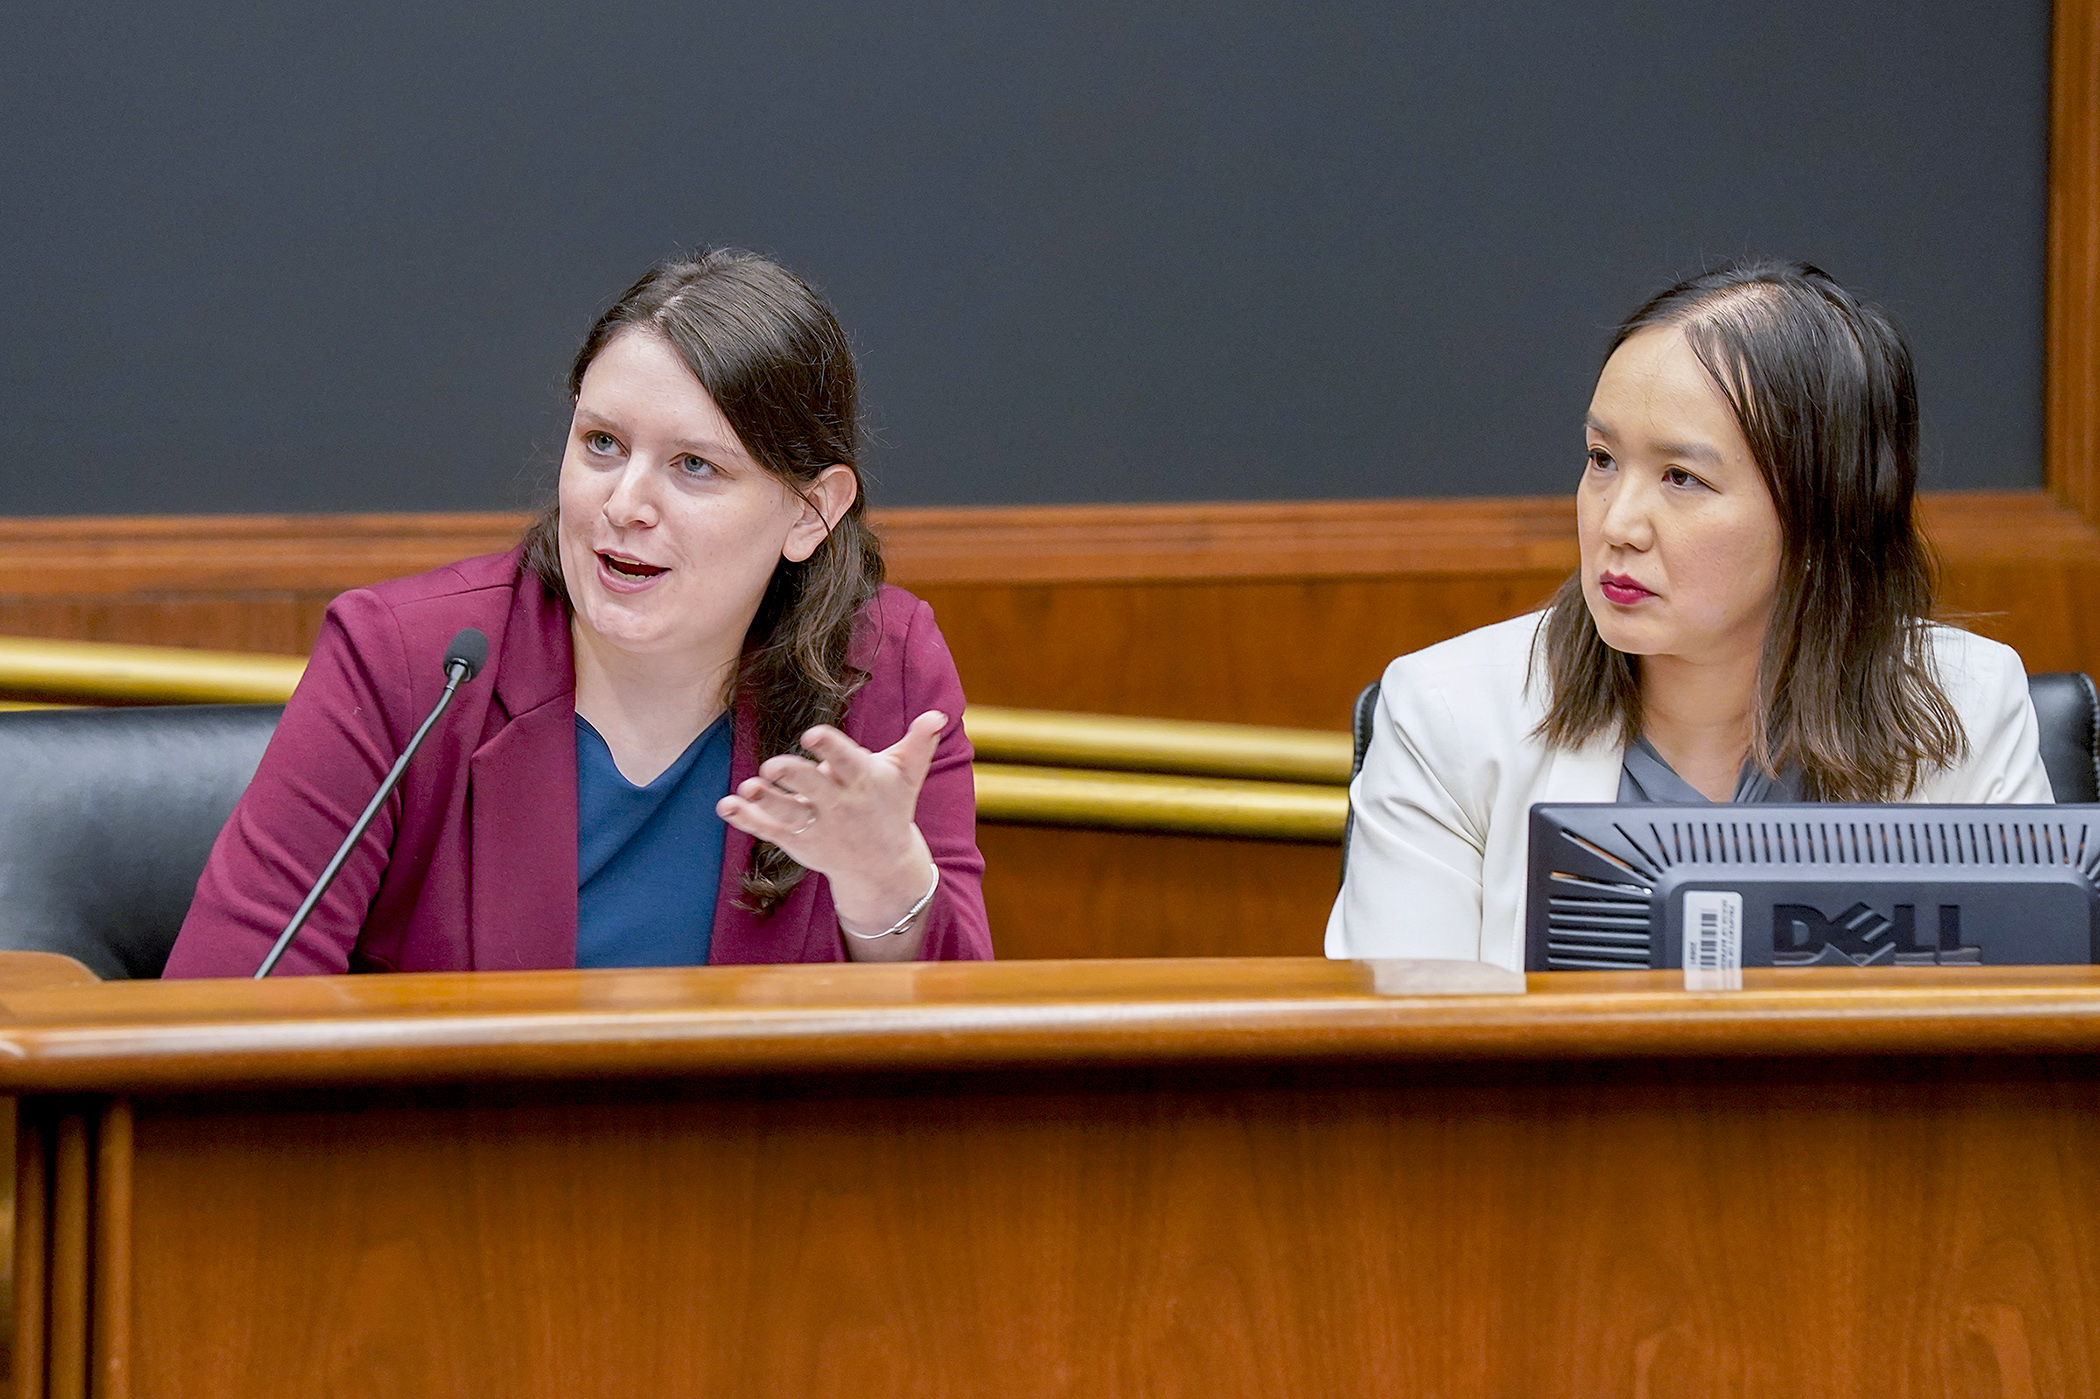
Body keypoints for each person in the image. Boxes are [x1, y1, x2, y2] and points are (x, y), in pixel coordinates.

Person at [166, 251, 991, 975]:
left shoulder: (884, 672)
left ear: (811, 512)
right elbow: (220, 1019)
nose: (625, 502)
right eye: (602, 443)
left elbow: (964, 1067)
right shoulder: (409, 664)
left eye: (694, 465)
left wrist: (886, 882)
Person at [1328, 257, 2051, 971]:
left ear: (1823, 514)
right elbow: (1403, 1061)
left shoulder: (1967, 702)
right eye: (1603, 458)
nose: (1618, 523)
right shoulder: (1448, 712)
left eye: (1681, 477)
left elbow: (2021, 1043)